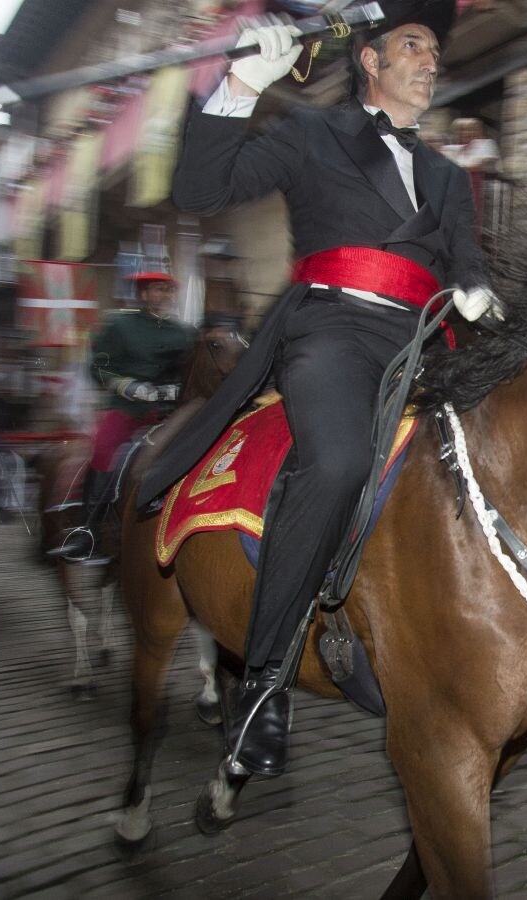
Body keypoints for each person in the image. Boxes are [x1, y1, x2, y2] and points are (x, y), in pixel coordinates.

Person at [136, 2, 499, 778]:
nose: (431, 60)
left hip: (422, 344)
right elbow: (201, 189)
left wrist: (477, 292)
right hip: (332, 334)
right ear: (369, 60)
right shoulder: (311, 134)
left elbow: (466, 262)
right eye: (413, 45)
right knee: (334, 463)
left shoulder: (446, 173)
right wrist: (240, 84)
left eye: (435, 48)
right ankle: (262, 683)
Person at [50, 271, 192, 563]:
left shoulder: (184, 333)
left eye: (168, 290)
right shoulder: (119, 325)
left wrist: (177, 388)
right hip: (128, 408)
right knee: (103, 450)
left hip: (170, 412)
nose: (164, 295)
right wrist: (127, 385)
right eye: (157, 289)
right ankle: (89, 532)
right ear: (142, 294)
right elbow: (98, 367)